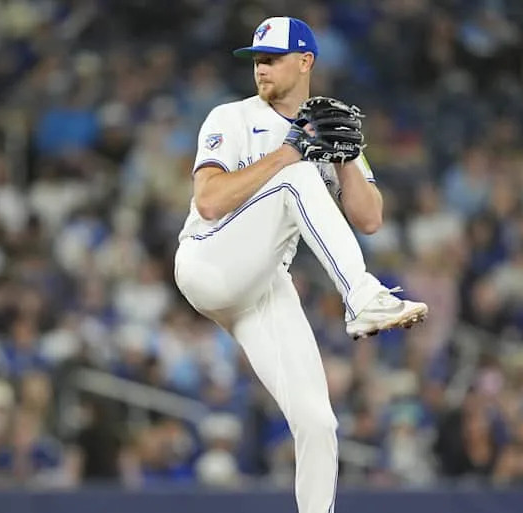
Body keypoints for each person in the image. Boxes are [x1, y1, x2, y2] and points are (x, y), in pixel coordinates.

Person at [173, 16, 427, 512]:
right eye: (256, 61)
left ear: (306, 61)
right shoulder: (232, 117)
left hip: (263, 284)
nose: (261, 69)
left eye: (272, 59)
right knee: (298, 175)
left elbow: (370, 218)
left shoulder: (323, 127)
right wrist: (290, 153)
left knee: (318, 423)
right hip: (209, 259)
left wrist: (349, 157)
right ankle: (362, 299)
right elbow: (207, 200)